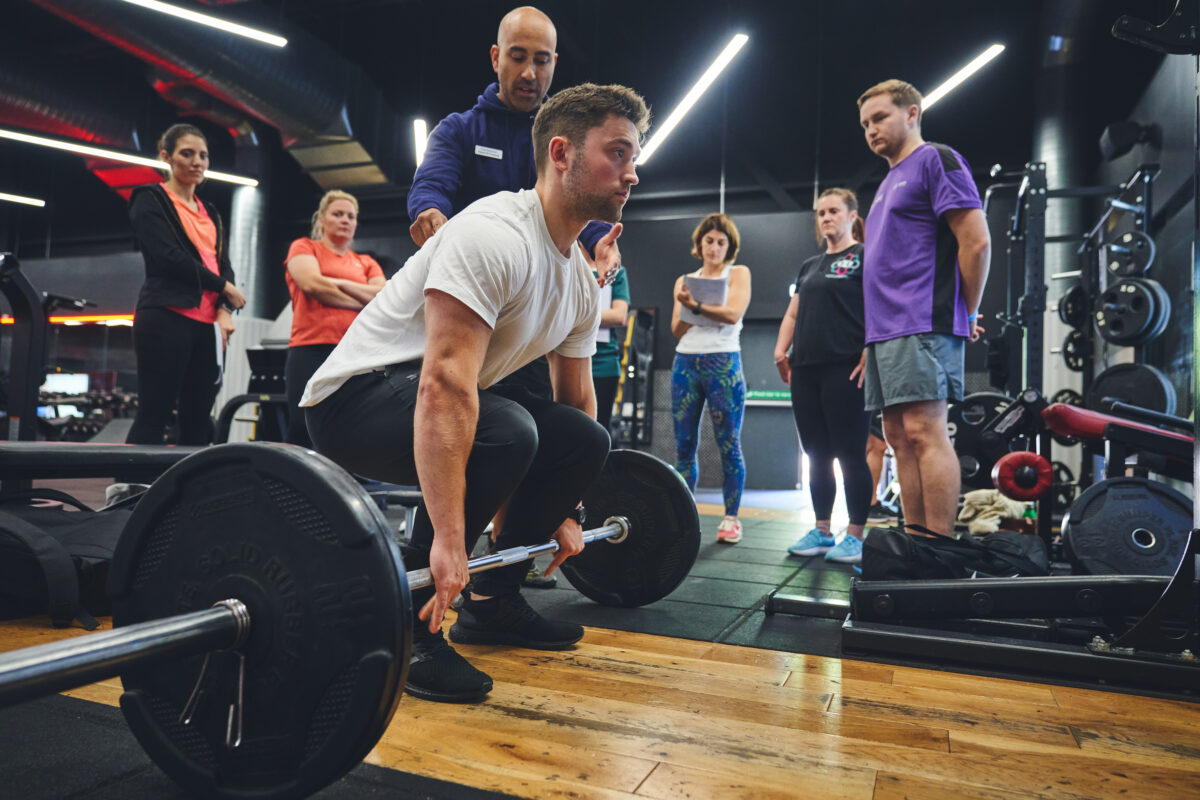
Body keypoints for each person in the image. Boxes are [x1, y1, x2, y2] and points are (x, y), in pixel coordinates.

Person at [301, 83, 649, 703]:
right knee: (508, 428)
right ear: (562, 153)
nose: (632, 172)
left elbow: (574, 405)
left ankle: (492, 601)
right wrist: (448, 537)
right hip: (351, 403)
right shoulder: (493, 233)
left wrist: (566, 506)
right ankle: (408, 629)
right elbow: (444, 384)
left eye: (634, 156)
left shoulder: (576, 277)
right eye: (618, 153)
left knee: (582, 438)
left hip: (434, 400)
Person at [407, 6, 610, 586]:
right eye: (517, 56)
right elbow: (432, 188)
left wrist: (603, 246)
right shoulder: (461, 130)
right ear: (497, 58)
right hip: (465, 329)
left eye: (541, 59)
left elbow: (580, 212)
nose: (529, 71)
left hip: (523, 337)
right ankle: (421, 609)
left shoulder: (565, 140)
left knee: (554, 445)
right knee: (478, 450)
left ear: (554, 65)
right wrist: (429, 214)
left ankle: (496, 601)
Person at [857, 79, 990, 538]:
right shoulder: (887, 181)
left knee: (923, 430)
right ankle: (917, 543)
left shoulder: (935, 159)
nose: (871, 129)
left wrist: (966, 312)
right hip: (884, 329)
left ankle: (940, 547)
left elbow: (976, 241)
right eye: (865, 124)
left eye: (880, 117)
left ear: (912, 113)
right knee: (896, 435)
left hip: (921, 320)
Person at [126, 123, 246, 445]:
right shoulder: (150, 199)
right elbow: (168, 257)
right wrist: (224, 288)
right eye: (187, 154)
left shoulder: (211, 212)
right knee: (155, 412)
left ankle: (191, 494)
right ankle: (128, 491)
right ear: (166, 157)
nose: (197, 162)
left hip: (207, 326)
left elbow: (224, 265)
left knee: (197, 419)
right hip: (166, 315)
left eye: (203, 155)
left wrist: (224, 310)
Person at [775, 188, 872, 564]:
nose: (826, 218)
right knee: (816, 455)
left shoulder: (864, 256)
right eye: (820, 213)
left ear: (851, 215)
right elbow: (793, 314)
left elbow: (880, 305)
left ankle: (856, 535)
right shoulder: (809, 266)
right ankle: (822, 529)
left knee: (850, 454)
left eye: (833, 211)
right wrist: (780, 350)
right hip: (806, 368)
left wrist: (871, 348)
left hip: (846, 367)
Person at [670, 214, 751, 543]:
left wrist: (698, 306)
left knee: (729, 443)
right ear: (699, 244)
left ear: (729, 247)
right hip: (686, 360)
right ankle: (682, 518)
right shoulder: (684, 280)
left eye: (721, 242)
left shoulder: (738, 273)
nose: (714, 247)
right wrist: (688, 307)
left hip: (723, 361)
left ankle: (731, 519)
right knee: (683, 447)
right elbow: (676, 328)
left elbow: (733, 313)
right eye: (709, 241)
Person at [283, 190, 385, 447]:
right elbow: (313, 285)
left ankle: (343, 485)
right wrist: (361, 300)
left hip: (354, 352)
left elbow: (383, 297)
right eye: (337, 214)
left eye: (351, 216)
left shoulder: (366, 262)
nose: (345, 220)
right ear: (322, 220)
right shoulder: (305, 247)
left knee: (350, 424)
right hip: (311, 348)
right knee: (303, 424)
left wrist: (336, 282)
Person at [578, 221, 630, 431]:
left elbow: (619, 315)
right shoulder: (568, 267)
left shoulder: (615, 272)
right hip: (570, 357)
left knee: (600, 429)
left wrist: (577, 317)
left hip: (604, 362)